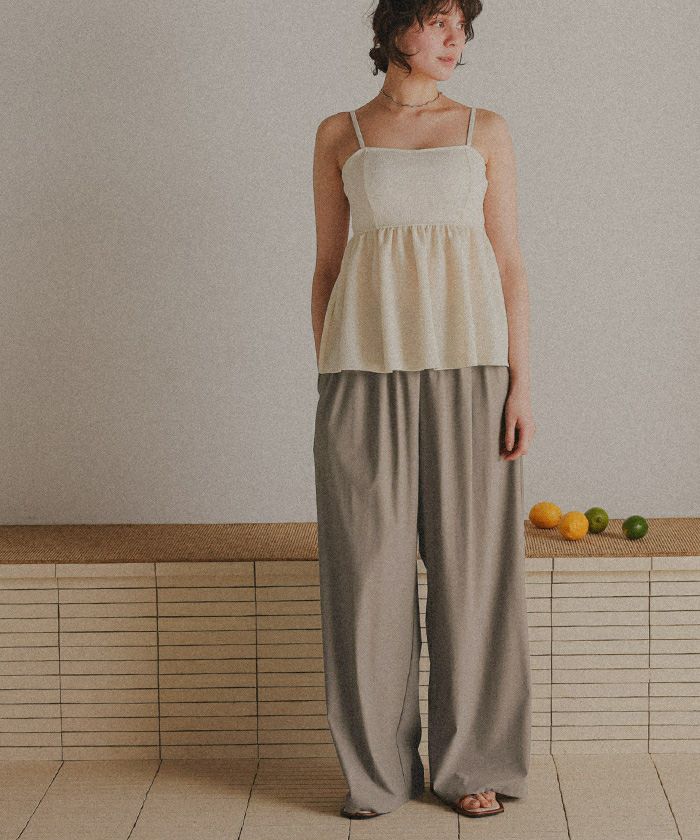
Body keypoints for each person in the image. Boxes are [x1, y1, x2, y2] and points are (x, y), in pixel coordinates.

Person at [311, 0, 536, 821]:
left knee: (473, 576)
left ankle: (473, 763)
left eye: (461, 25)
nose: (454, 38)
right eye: (438, 21)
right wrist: (331, 372)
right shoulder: (341, 134)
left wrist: (520, 383)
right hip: (362, 376)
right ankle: (376, 773)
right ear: (395, 28)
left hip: (472, 372)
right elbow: (327, 267)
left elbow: (508, 264)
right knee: (366, 579)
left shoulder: (485, 129)